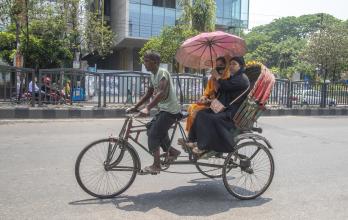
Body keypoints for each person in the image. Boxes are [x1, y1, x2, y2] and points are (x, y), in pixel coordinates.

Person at [126, 51, 181, 174]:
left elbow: (161, 92)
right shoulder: (153, 75)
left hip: (171, 111)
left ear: (155, 62)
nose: (144, 63)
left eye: (146, 61)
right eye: (144, 60)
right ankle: (172, 151)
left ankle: (157, 165)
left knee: (153, 135)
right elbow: (149, 93)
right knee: (151, 128)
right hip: (164, 110)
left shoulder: (162, 72)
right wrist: (136, 107)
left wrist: (148, 108)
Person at [184, 56, 250, 154]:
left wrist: (218, 77)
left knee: (211, 118)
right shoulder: (233, 77)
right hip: (224, 108)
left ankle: (203, 146)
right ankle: (192, 140)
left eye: (234, 64)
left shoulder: (242, 79)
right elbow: (222, 91)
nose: (231, 66)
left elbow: (225, 86)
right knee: (201, 113)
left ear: (241, 66)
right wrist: (210, 97)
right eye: (230, 64)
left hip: (232, 112)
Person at [185, 56, 230, 132]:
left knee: (197, 111)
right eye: (217, 66)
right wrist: (204, 97)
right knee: (191, 107)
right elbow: (206, 93)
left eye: (221, 65)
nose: (218, 68)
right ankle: (192, 135)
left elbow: (220, 92)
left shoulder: (227, 78)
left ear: (225, 66)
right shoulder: (212, 79)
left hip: (218, 106)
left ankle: (197, 136)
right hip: (210, 103)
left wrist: (217, 79)